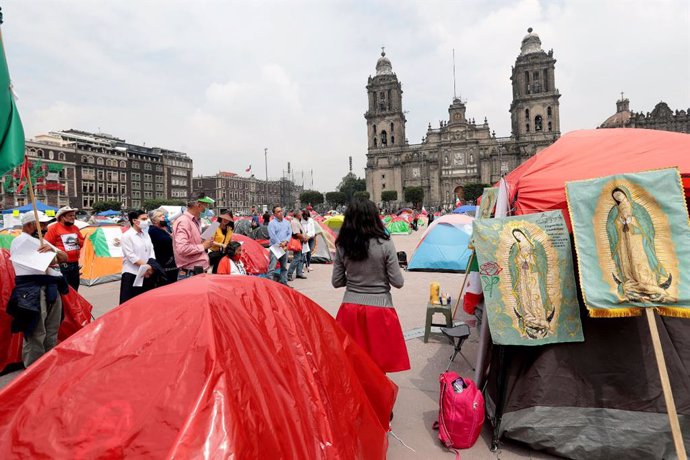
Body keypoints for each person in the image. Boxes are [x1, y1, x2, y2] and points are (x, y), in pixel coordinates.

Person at [332, 197, 410, 373]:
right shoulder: (385, 243)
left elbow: (336, 281)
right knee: (377, 368)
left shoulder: (342, 245)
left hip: (350, 310)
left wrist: (353, 279)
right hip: (380, 310)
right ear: (374, 217)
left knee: (353, 366)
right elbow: (398, 282)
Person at [8, 211, 68, 367]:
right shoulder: (21, 241)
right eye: (41, 225)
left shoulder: (42, 241)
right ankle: (33, 369)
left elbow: (64, 257)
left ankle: (49, 364)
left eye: (46, 224)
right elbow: (50, 262)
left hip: (50, 286)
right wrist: (53, 254)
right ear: (29, 225)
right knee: (36, 331)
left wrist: (53, 250)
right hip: (31, 290)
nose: (46, 228)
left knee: (52, 328)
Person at [173, 194, 215, 280]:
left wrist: (203, 241)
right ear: (199, 205)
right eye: (206, 206)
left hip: (197, 272)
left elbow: (192, 243)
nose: (207, 209)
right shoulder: (184, 222)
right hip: (190, 274)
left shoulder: (195, 221)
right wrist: (203, 246)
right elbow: (182, 249)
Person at [119, 210, 157, 304]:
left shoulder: (146, 234)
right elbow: (131, 256)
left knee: (146, 302)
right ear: (134, 221)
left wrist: (150, 266)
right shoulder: (127, 236)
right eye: (143, 219)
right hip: (132, 273)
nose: (146, 221)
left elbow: (151, 251)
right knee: (130, 303)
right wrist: (147, 267)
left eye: (147, 218)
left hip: (147, 272)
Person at [44, 206, 84, 291]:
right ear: (62, 217)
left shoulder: (75, 228)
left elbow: (82, 243)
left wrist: (79, 242)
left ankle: (73, 304)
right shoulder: (53, 228)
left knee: (74, 289)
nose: (73, 217)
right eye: (70, 215)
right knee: (64, 291)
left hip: (75, 264)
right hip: (61, 266)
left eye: (73, 215)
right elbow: (47, 245)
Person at [148, 210, 178, 284]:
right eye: (160, 216)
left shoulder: (165, 228)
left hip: (171, 263)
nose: (163, 216)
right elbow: (167, 242)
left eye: (163, 215)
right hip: (164, 263)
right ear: (154, 221)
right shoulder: (153, 230)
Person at [267, 206, 291, 285]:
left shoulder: (286, 222)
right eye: (278, 211)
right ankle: (270, 284)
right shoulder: (272, 223)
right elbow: (272, 236)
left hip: (284, 247)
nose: (281, 212)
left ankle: (284, 282)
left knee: (284, 267)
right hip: (276, 247)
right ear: (274, 214)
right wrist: (280, 243)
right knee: (272, 268)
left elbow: (289, 233)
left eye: (281, 211)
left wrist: (286, 241)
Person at [287, 209, 308, 281]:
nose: (301, 215)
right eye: (300, 214)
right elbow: (297, 233)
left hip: (301, 241)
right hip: (297, 241)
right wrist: (304, 238)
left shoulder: (297, 221)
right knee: (297, 258)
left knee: (301, 258)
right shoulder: (294, 222)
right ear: (297, 215)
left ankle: (299, 272)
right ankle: (289, 274)